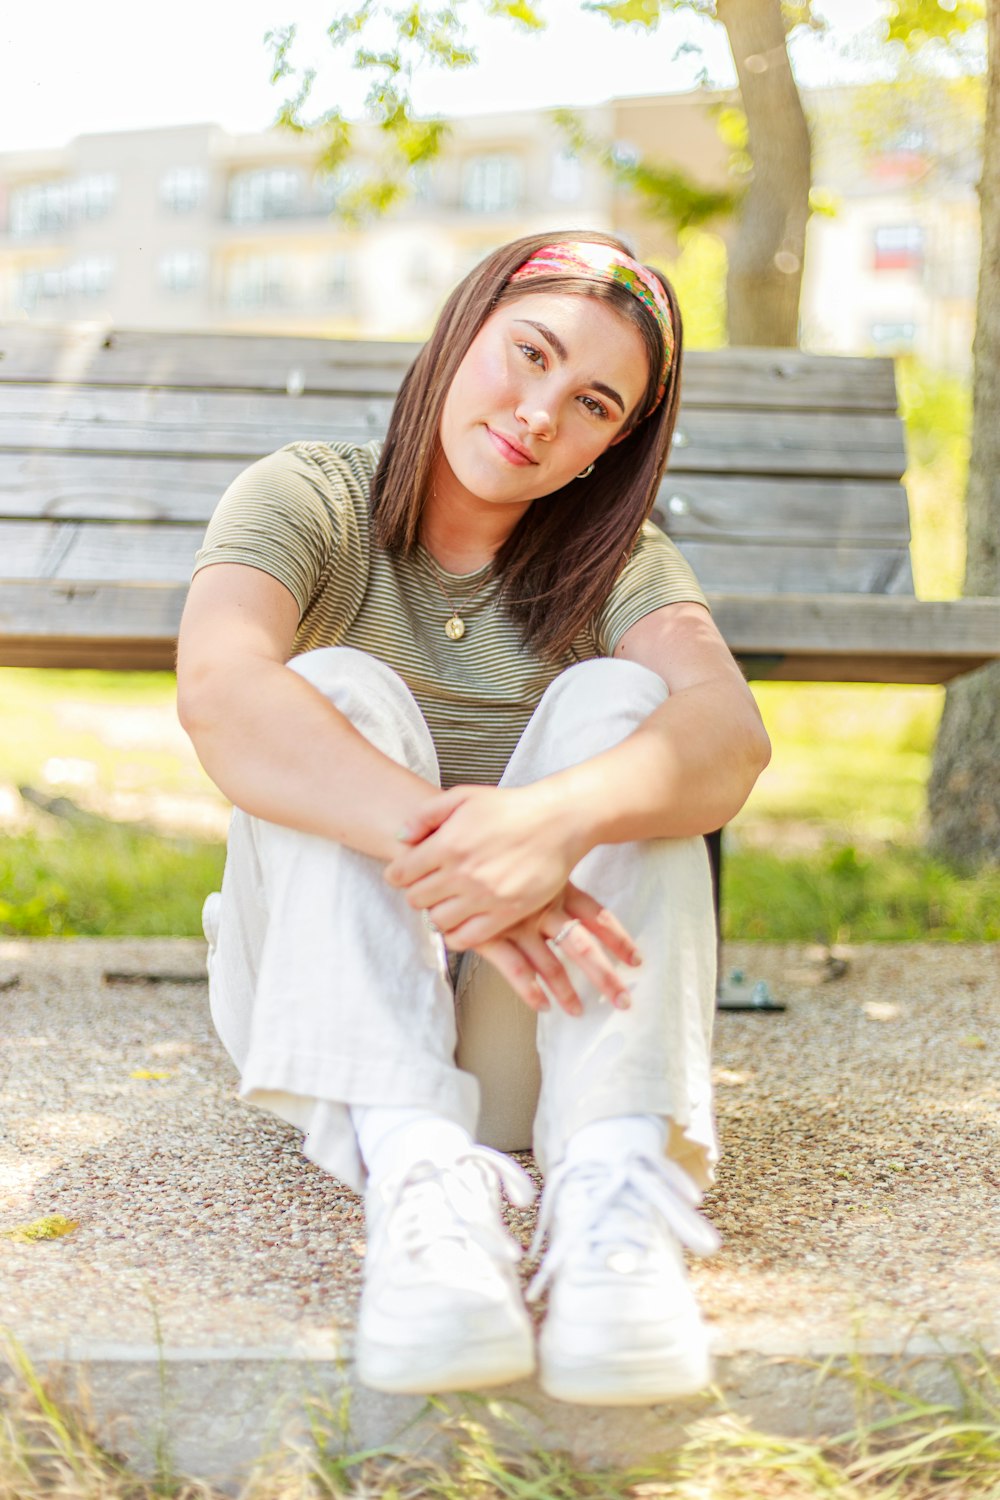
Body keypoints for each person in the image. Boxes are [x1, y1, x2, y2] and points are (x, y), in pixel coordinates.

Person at [176, 231, 770, 1406]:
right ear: (462, 333)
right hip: (317, 1012)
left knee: (626, 706)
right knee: (330, 689)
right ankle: (421, 1200)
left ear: (613, 445)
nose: (540, 410)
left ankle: (611, 1212)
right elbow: (222, 697)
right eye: (528, 353)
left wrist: (549, 826)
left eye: (592, 401)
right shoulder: (310, 498)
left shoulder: (619, 567)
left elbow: (730, 735)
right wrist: (473, 857)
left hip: (534, 1044)